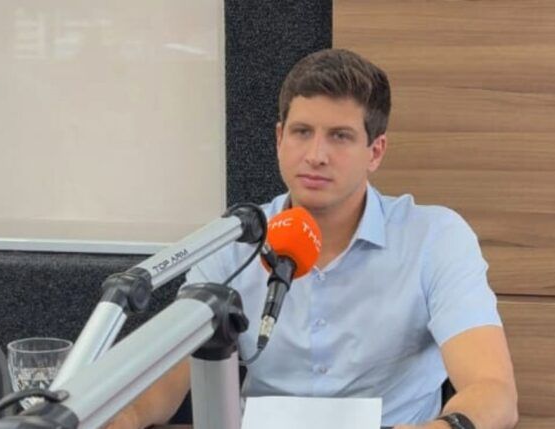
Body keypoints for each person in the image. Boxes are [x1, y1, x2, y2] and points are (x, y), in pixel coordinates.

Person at [108, 48, 518, 429]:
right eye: (302, 132)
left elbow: (493, 391)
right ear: (279, 139)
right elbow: (160, 381)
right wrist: (121, 418)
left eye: (340, 136)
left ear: (375, 152)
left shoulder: (434, 238)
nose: (315, 155)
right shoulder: (231, 241)